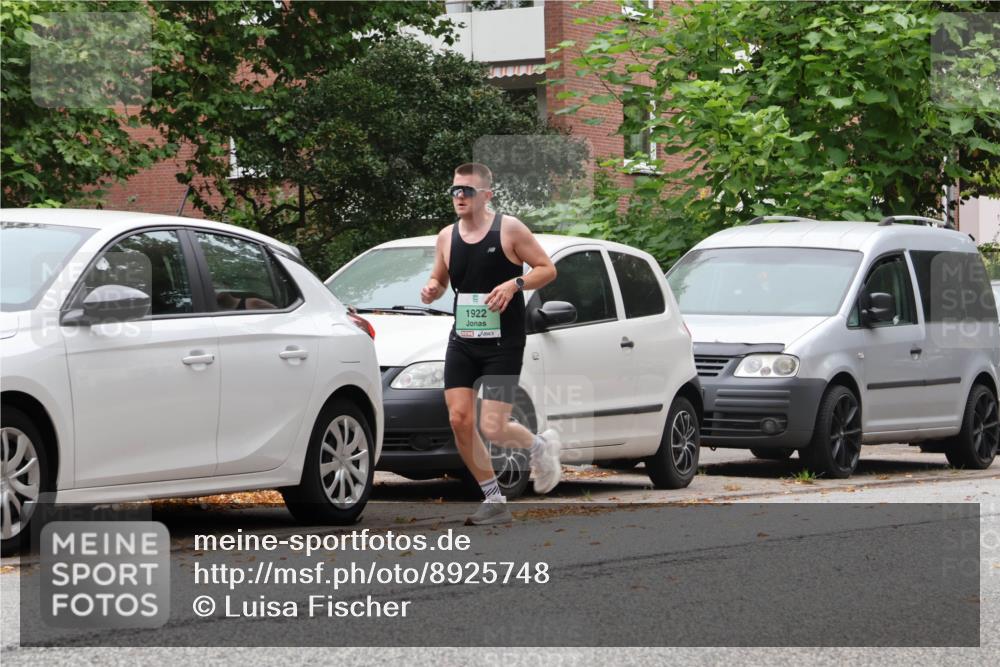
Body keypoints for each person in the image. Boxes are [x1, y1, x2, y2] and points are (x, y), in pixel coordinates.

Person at [420, 162, 561, 526]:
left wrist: (515, 284)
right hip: (463, 341)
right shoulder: (446, 237)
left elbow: (547, 268)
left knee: (494, 426)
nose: (459, 197)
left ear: (487, 195)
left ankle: (539, 447)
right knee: (459, 419)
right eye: (455, 190)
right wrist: (433, 288)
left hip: (503, 343)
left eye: (467, 190)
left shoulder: (509, 229)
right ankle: (493, 498)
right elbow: (439, 277)